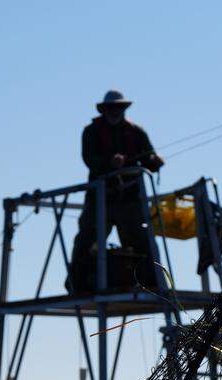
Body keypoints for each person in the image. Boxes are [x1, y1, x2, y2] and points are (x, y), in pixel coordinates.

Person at [67, 90, 165, 292]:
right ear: (104, 110)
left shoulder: (136, 131)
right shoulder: (91, 131)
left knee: (140, 240)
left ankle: (151, 283)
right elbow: (90, 160)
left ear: (124, 109)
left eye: (118, 107)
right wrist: (109, 162)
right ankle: (76, 283)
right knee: (87, 238)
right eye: (111, 108)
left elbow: (149, 157)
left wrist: (155, 162)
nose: (115, 111)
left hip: (129, 199)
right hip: (100, 198)